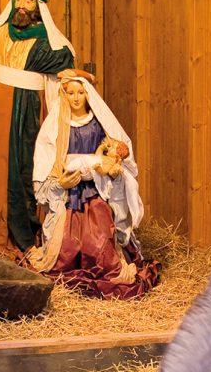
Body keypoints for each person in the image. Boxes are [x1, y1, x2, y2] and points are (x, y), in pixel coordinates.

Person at [0, 0, 74, 254]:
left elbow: (62, 72)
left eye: (29, 1)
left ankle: (31, 232)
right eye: (19, 0)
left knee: (30, 165)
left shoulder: (51, 42)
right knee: (1, 165)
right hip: (1, 109)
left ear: (38, 8)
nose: (22, 5)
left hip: (32, 110)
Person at [29, 69, 159, 298]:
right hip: (70, 193)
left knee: (99, 238)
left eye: (81, 92)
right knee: (66, 244)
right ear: (64, 95)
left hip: (95, 191)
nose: (76, 98)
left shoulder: (98, 124)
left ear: (88, 94)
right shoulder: (58, 126)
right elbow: (47, 160)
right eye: (71, 93)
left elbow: (110, 152)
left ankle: (105, 264)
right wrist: (60, 182)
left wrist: (109, 162)